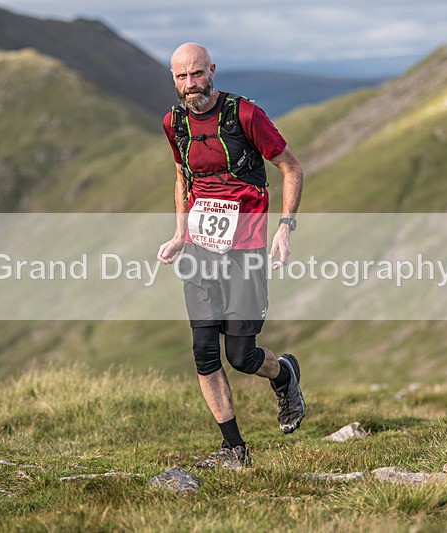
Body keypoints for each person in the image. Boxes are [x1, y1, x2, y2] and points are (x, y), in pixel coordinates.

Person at [157, 43, 305, 468]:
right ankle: (234, 449)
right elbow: (183, 175)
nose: (191, 85)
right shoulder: (174, 122)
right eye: (182, 77)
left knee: (241, 356)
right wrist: (180, 232)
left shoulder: (245, 116)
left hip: (246, 248)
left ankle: (285, 373)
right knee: (205, 352)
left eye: (198, 74)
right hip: (200, 249)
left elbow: (291, 168)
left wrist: (285, 228)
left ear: (212, 71)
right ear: (174, 79)